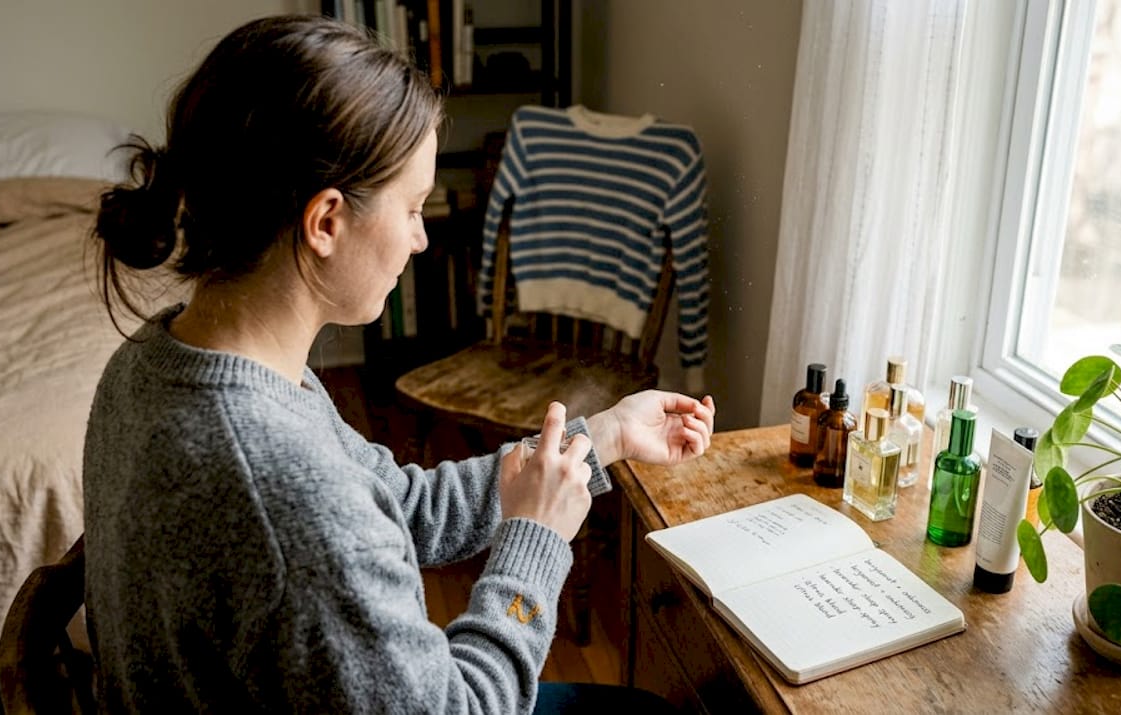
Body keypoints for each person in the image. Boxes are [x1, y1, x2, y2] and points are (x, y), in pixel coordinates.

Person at [83, 14, 715, 714]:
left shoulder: (165, 358)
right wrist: (534, 540)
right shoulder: (285, 491)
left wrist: (608, 436)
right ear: (325, 221)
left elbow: (399, 503)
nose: (419, 238)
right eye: (412, 207)